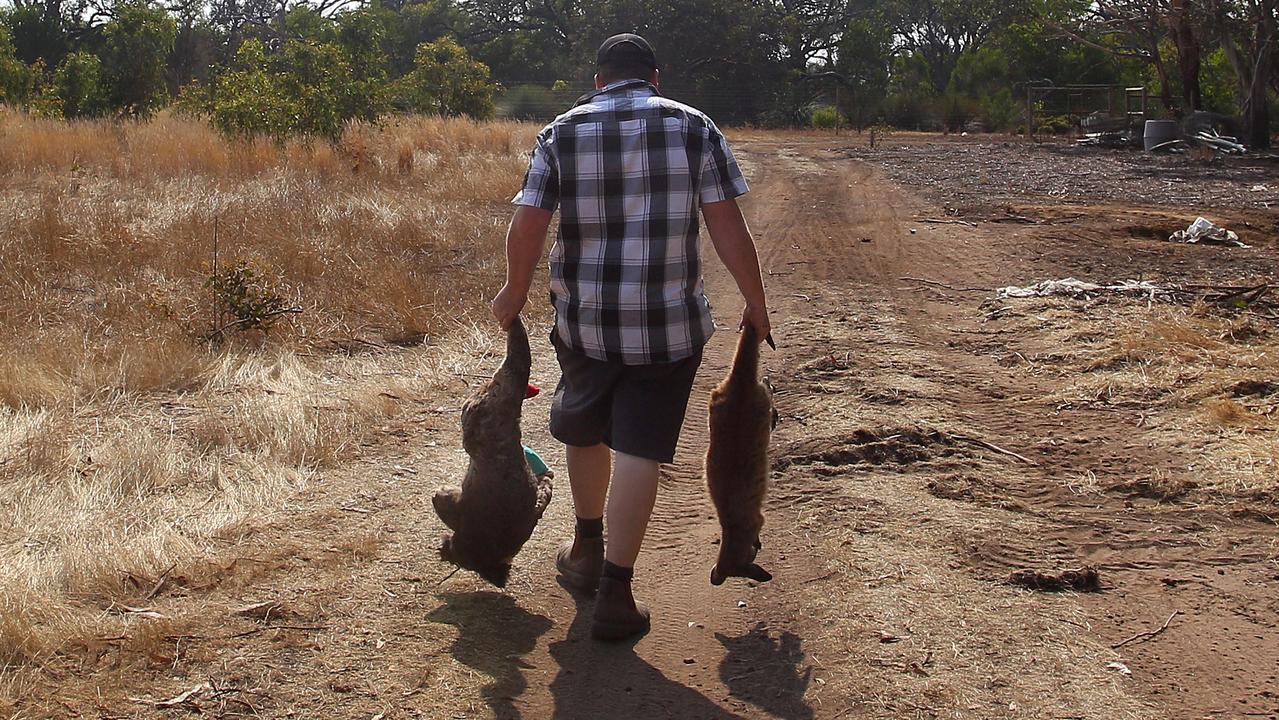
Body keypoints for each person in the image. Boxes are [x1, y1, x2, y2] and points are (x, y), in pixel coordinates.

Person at [491, 32, 770, 642]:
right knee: (641, 448)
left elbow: (529, 223)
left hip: (584, 321)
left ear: (599, 79)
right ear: (655, 76)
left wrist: (513, 292)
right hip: (669, 328)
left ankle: (585, 547)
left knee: (585, 425)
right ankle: (616, 590)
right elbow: (726, 225)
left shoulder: (561, 131)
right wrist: (755, 299)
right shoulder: (696, 127)